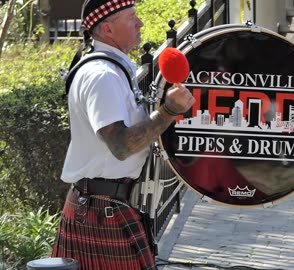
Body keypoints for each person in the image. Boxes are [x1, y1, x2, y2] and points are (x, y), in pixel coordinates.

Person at [51, 0, 195, 269]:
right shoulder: (101, 76)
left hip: (107, 205)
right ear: (107, 29)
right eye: (131, 18)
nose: (140, 23)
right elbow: (120, 145)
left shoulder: (113, 69)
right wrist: (167, 111)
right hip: (99, 210)